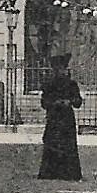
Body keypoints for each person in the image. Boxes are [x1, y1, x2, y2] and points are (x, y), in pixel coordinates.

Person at [37, 53, 83, 181]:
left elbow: (78, 102)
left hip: (67, 118)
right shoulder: (49, 85)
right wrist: (55, 103)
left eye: (63, 68)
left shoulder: (72, 85)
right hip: (54, 117)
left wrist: (70, 101)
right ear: (54, 70)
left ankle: (69, 173)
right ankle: (50, 173)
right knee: (52, 143)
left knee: (68, 144)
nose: (61, 71)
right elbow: (44, 103)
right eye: (57, 69)